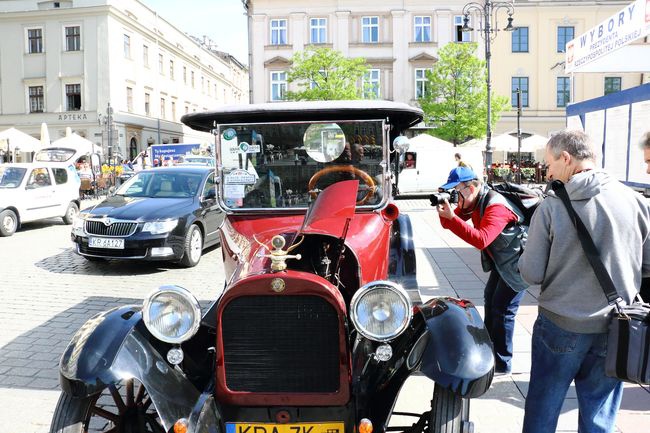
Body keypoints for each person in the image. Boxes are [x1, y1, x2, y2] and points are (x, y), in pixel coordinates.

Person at [518, 130, 650, 433]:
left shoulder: (551, 206)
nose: (547, 171)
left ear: (566, 159)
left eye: (549, 163)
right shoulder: (636, 201)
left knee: (543, 407)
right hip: (618, 327)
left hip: (560, 325)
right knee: (599, 415)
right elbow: (646, 266)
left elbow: (531, 273)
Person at [435, 166, 528, 374]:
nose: (454, 196)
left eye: (456, 191)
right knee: (490, 300)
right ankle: (489, 352)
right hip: (502, 262)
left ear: (470, 187)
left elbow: (481, 239)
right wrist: (445, 210)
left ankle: (503, 364)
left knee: (503, 311)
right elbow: (449, 223)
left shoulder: (495, 206)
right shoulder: (476, 200)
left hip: (517, 265)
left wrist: (452, 218)